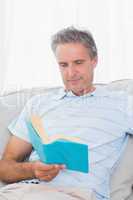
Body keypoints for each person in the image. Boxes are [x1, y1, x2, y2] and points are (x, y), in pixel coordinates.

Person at [0, 27, 132, 200]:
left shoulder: (122, 103)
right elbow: (5, 167)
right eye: (63, 65)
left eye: (78, 63)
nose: (71, 73)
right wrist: (32, 170)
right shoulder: (38, 104)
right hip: (22, 192)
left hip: (78, 194)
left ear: (94, 61)